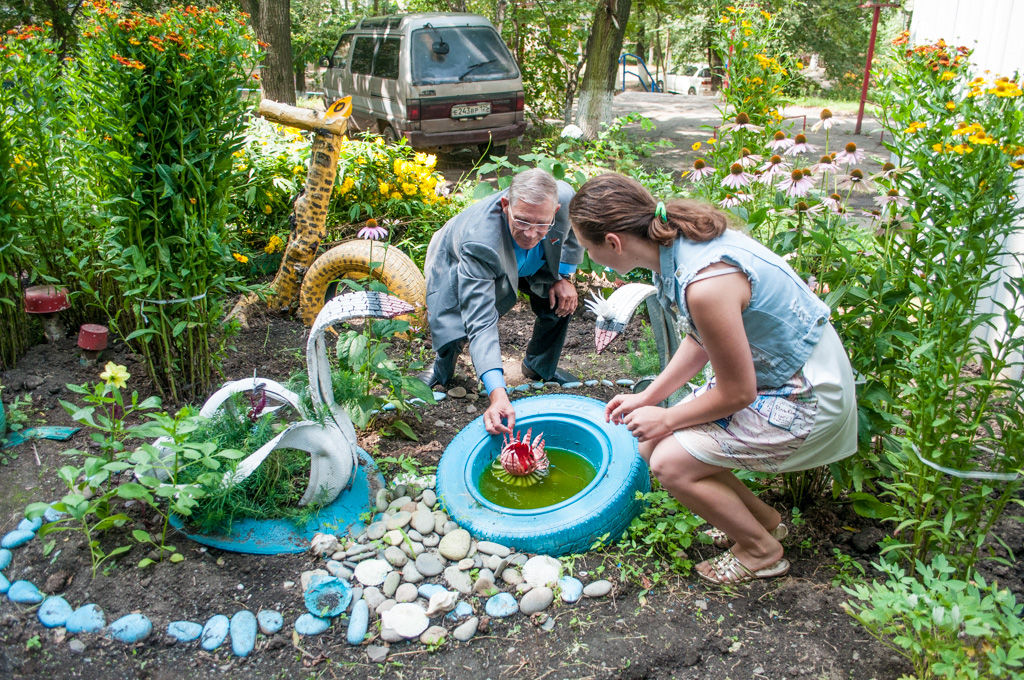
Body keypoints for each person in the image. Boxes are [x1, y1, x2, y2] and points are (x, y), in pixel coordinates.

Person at [568, 173, 857, 585]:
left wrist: (668, 418)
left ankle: (761, 552)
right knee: (652, 442)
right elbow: (701, 338)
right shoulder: (674, 247)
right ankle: (764, 524)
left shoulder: (705, 282)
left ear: (612, 242)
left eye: (587, 248)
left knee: (670, 462)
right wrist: (650, 397)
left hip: (805, 393)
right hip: (772, 373)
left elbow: (738, 392)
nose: (589, 258)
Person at [419, 168, 583, 435]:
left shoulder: (565, 200)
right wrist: (498, 394)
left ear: (556, 210)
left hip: (531, 262)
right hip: (459, 257)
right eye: (522, 221)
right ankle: (443, 366)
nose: (531, 234)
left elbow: (573, 234)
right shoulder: (479, 241)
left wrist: (563, 275)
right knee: (454, 320)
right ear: (505, 205)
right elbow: (481, 321)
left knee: (560, 298)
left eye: (542, 224)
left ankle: (538, 365)